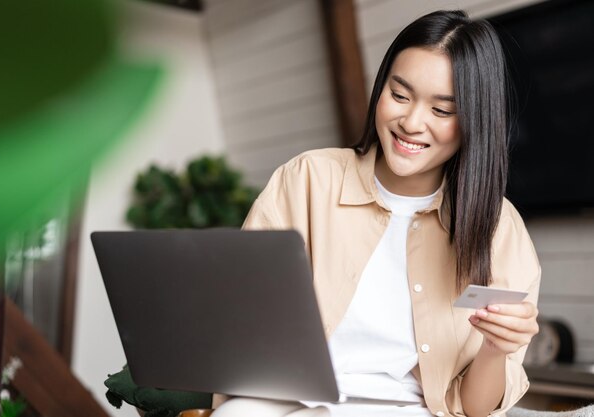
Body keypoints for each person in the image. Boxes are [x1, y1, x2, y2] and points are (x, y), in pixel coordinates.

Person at [212, 9, 541, 417]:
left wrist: (496, 349)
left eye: (441, 111)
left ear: (474, 121)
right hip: (282, 399)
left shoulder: (499, 228)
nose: (411, 122)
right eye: (399, 95)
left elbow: (474, 408)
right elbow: (238, 318)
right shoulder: (308, 178)